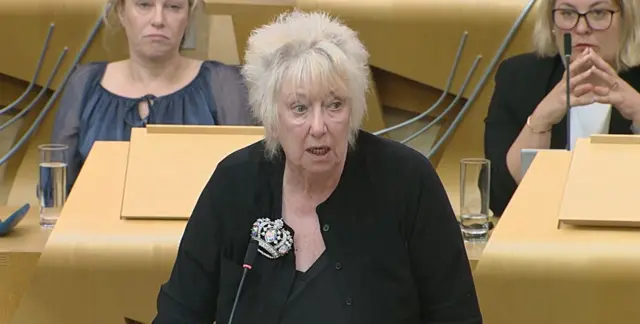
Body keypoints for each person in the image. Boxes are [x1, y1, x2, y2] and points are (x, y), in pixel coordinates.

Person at [153, 10, 482, 324]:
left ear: (353, 108)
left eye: (334, 105)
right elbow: (180, 312)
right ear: (271, 115)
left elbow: (457, 317)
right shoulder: (234, 183)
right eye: (299, 108)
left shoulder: (408, 181)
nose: (319, 126)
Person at [51, 0, 254, 193]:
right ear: (121, 11)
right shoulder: (84, 83)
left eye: (173, 6)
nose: (158, 19)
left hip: (199, 228)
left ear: (189, 16)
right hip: (92, 227)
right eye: (144, 4)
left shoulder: (223, 84)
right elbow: (55, 190)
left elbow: (250, 184)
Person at [484, 0, 640, 216]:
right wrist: (541, 119)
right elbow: (499, 197)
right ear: (552, 23)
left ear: (626, 19)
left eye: (598, 13)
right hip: (542, 234)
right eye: (567, 13)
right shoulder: (519, 76)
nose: (582, 28)